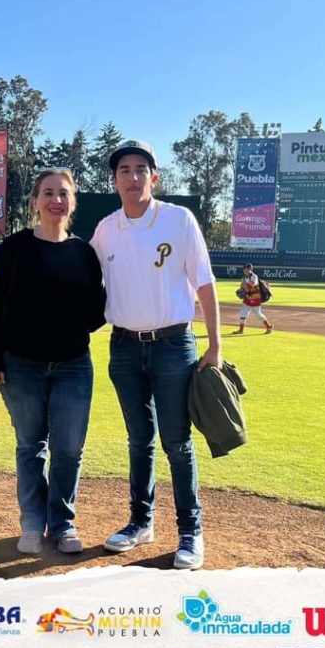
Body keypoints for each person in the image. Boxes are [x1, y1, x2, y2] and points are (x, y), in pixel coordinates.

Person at [90, 140, 222, 570]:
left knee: (177, 442)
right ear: (114, 181)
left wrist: (215, 344)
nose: (132, 177)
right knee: (139, 441)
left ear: (154, 177)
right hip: (124, 347)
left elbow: (204, 282)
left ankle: (190, 531)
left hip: (173, 345)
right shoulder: (106, 230)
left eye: (140, 169)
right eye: (124, 170)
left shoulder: (179, 220)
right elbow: (85, 282)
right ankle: (140, 522)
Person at [0, 169, 106, 556]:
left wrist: (67, 324)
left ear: (73, 202)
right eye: (48, 193)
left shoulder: (84, 253)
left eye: (63, 194)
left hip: (73, 364)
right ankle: (32, 523)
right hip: (21, 364)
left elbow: (97, 310)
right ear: (35, 201)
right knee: (31, 446)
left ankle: (63, 523)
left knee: (69, 448)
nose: (56, 200)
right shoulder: (14, 248)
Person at [236, 263, 273, 334]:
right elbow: (242, 287)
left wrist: (244, 287)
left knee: (258, 314)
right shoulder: (244, 278)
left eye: (248, 269)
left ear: (251, 270)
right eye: (245, 269)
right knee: (243, 312)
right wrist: (241, 289)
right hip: (247, 298)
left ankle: (269, 326)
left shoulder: (254, 276)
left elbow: (251, 285)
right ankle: (241, 330)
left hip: (255, 298)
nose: (246, 270)